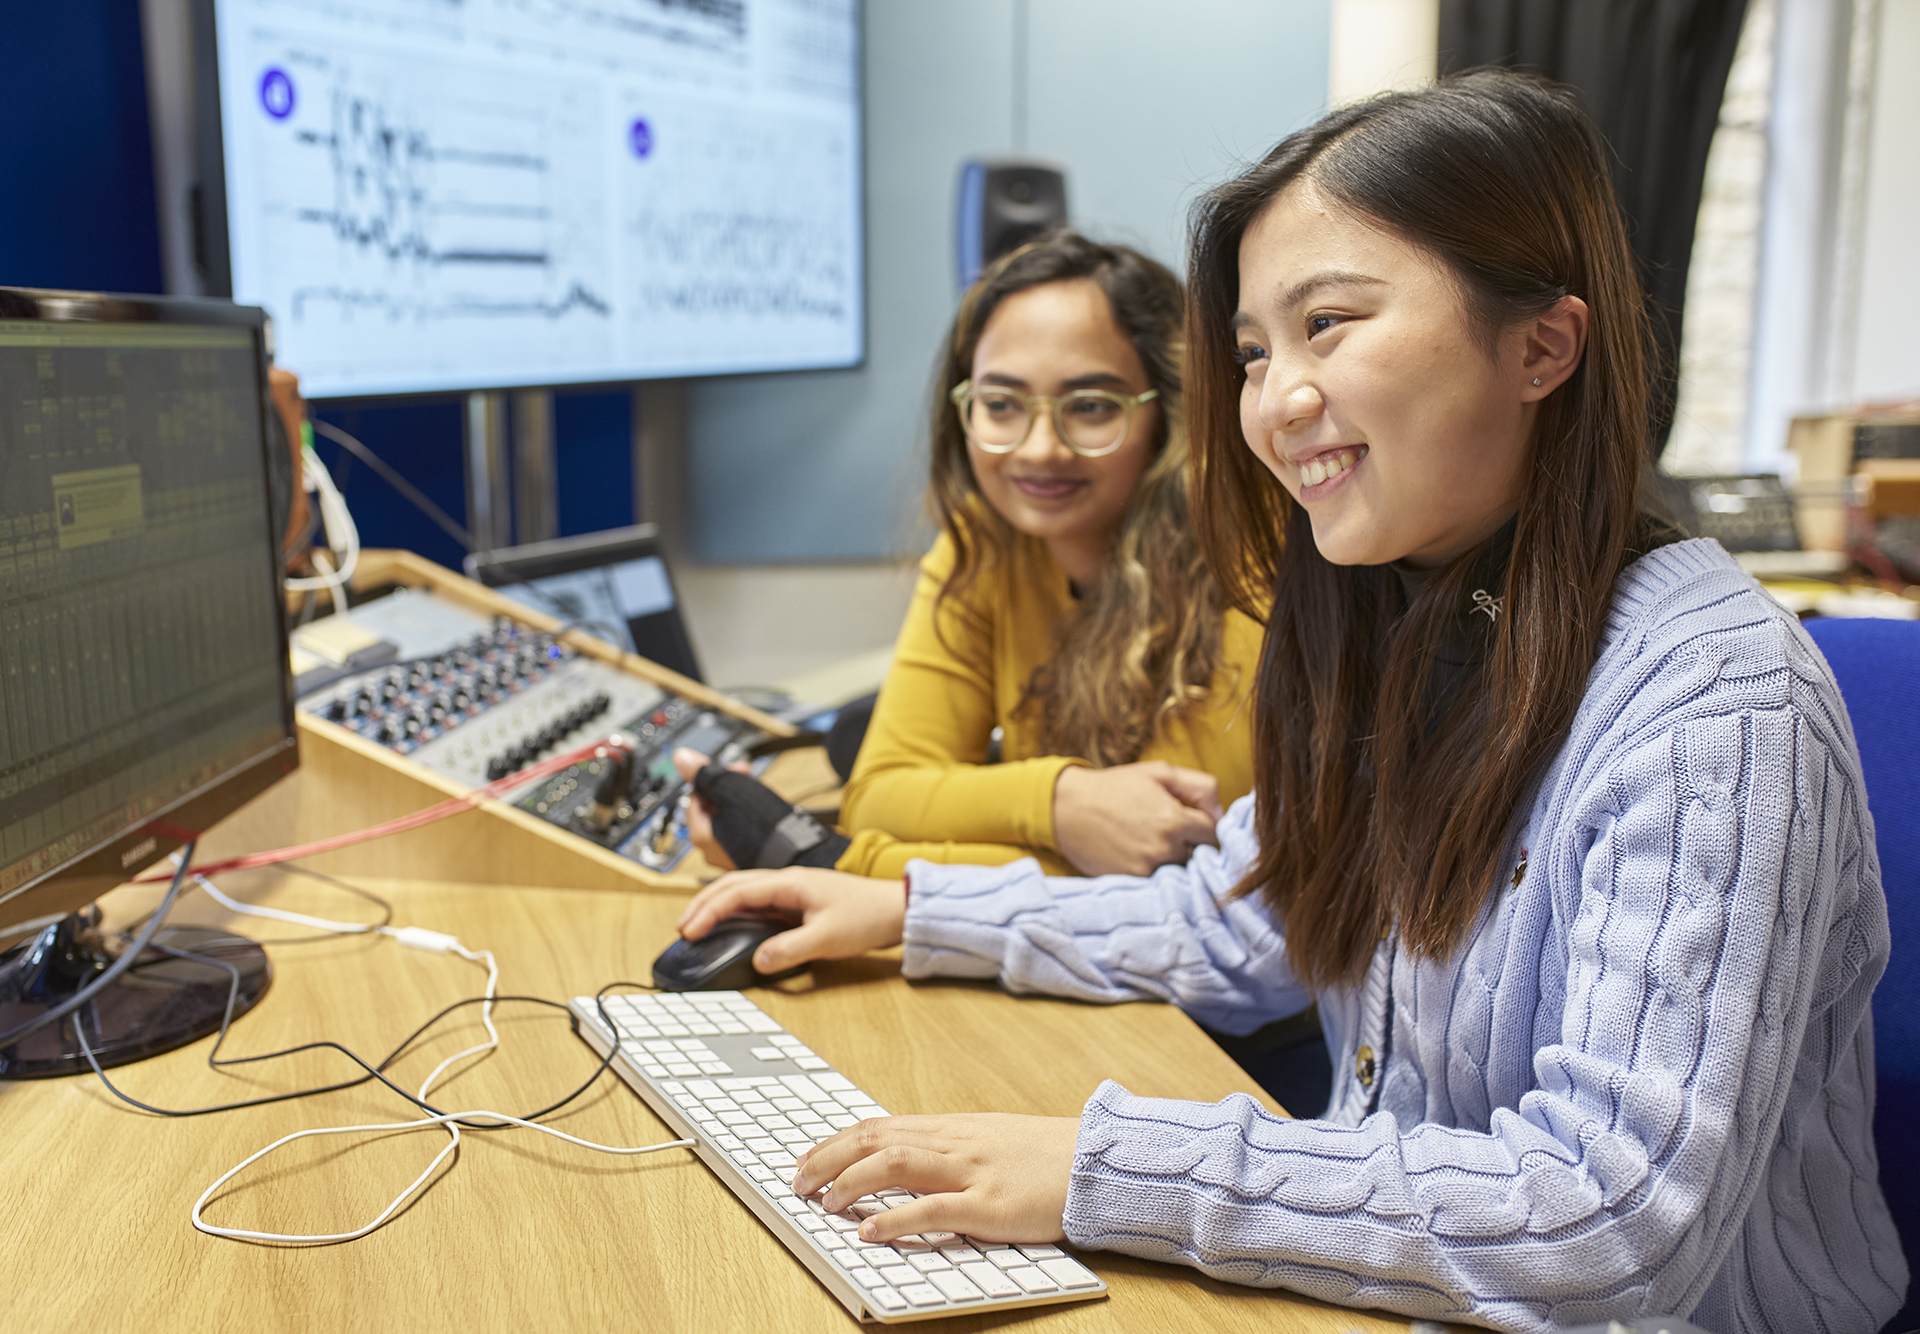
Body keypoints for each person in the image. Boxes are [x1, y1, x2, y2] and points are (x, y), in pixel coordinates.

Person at [669, 71, 1906, 1333]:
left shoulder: (1712, 706)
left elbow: (1603, 1215)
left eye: (1331, 325)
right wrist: (904, 906)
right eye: (1256, 351)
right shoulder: (1402, 616)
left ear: (1543, 345)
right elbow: (1237, 925)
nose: (1274, 400)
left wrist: (1100, 1169)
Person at [679, 232, 1264, 886]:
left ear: (1172, 412)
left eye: (1092, 407)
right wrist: (1056, 803)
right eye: (1001, 404)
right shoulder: (985, 543)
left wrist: (838, 864)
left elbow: (1177, 867)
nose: (1039, 449)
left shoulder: (1251, 559)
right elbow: (881, 798)